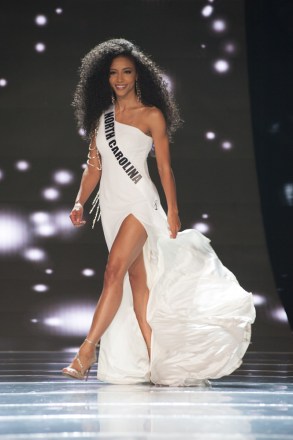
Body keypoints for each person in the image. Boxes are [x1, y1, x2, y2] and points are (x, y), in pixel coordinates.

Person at [62, 38, 255, 386]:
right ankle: (158, 362)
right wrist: (79, 201)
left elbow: (165, 169)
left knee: (113, 271)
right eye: (113, 73)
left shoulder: (152, 115)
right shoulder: (101, 119)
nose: (120, 79)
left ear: (138, 76)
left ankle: (87, 350)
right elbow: (94, 167)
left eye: (127, 72)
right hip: (111, 206)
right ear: (103, 78)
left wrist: (173, 211)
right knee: (139, 286)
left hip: (139, 204)